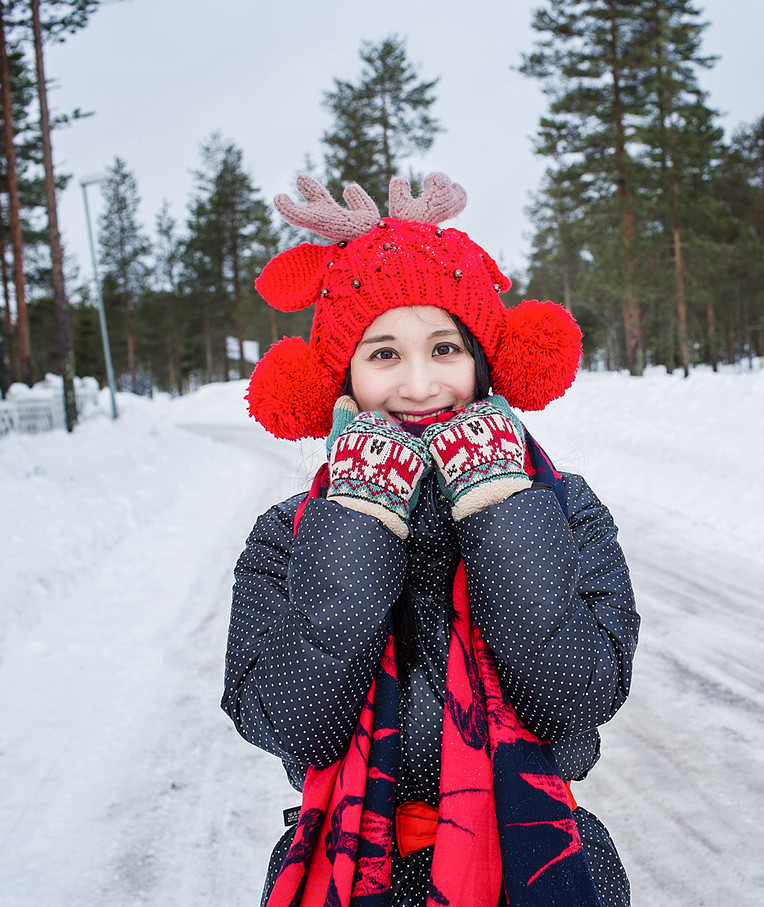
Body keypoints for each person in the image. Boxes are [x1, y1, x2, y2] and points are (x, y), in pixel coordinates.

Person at [221, 172, 639, 907]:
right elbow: (288, 722)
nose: (419, 383)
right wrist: (359, 513)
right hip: (352, 874)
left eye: (444, 347)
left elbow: (576, 699)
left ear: (483, 361)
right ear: (341, 373)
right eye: (384, 354)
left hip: (534, 867)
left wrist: (500, 506)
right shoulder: (286, 535)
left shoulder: (564, 508)